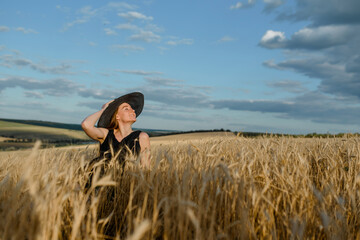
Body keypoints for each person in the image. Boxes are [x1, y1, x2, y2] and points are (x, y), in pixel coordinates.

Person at [81, 92, 150, 190]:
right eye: (126, 108)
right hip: (97, 187)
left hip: (124, 189)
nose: (133, 110)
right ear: (117, 116)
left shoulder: (142, 137)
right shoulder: (106, 135)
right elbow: (86, 125)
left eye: (132, 108)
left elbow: (146, 169)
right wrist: (104, 109)